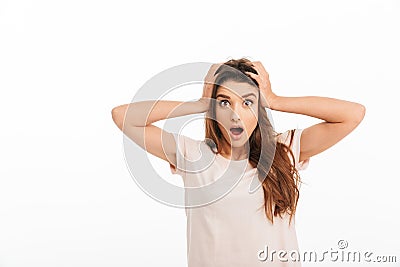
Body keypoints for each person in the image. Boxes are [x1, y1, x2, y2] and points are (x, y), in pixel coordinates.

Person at [111, 58, 366, 266]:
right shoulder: (193, 156)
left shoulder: (283, 151)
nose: (235, 115)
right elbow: (123, 116)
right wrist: (201, 103)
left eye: (247, 102)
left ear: (258, 108)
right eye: (224, 102)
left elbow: (353, 115)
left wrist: (275, 100)